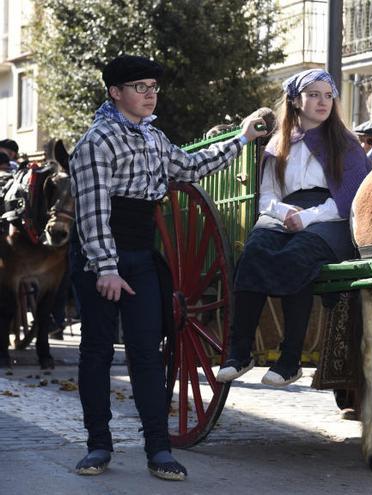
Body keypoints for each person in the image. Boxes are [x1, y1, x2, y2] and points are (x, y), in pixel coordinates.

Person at [68, 55, 267, 480]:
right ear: (115, 93)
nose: (149, 93)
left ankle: (158, 448)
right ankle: (98, 445)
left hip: (140, 255)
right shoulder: (96, 142)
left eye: (153, 87)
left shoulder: (155, 138)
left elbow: (192, 167)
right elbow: (91, 213)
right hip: (96, 257)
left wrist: (242, 138)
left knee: (146, 353)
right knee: (98, 351)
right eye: (139, 86)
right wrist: (105, 268)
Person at [217, 69, 370, 388]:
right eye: (313, 94)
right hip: (283, 213)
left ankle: (290, 361)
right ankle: (239, 352)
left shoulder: (346, 144)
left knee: (300, 255)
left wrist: (307, 217)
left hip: (331, 218)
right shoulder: (280, 143)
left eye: (328, 95)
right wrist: (285, 212)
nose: (322, 102)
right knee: (254, 251)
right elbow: (268, 195)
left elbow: (350, 199)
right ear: (295, 101)